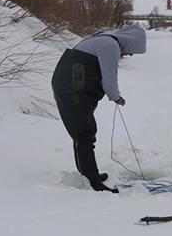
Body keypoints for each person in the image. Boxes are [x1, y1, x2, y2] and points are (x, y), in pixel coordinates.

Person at [51, 25, 147, 193]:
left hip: (69, 85)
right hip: (73, 89)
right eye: (131, 51)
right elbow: (109, 80)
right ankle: (94, 182)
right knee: (85, 134)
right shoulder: (110, 46)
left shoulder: (101, 40)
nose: (128, 55)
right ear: (130, 43)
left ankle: (87, 174)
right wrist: (116, 97)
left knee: (82, 133)